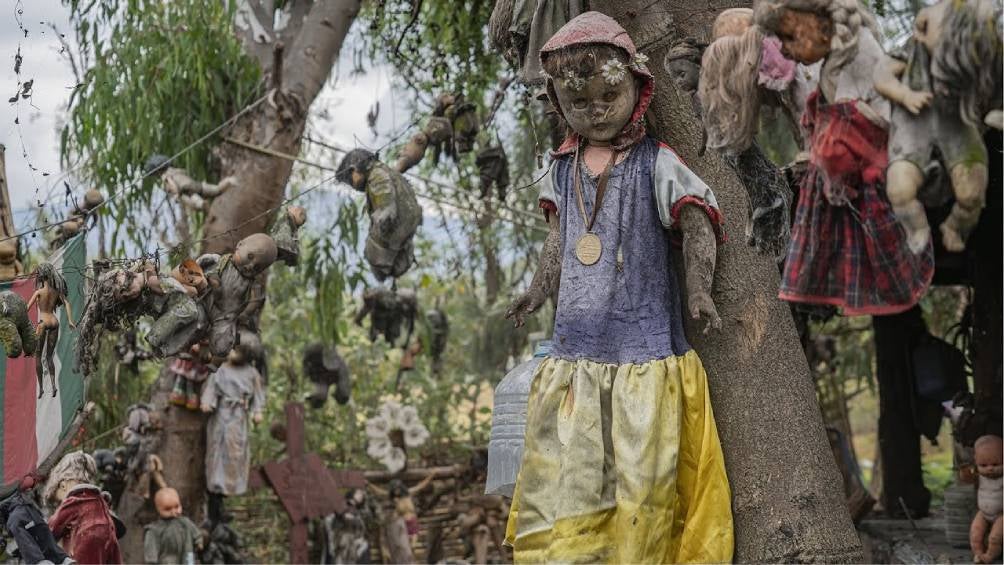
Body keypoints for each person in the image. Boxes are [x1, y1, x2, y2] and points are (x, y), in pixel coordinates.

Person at [503, 11, 733, 562]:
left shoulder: (658, 164)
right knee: (575, 475)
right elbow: (559, 238)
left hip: (643, 353)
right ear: (559, 104)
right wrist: (538, 288)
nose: (596, 110)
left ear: (637, 85)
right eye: (579, 102)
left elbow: (697, 221)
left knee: (642, 478)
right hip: (576, 354)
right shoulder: (561, 169)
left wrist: (700, 290)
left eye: (609, 93)